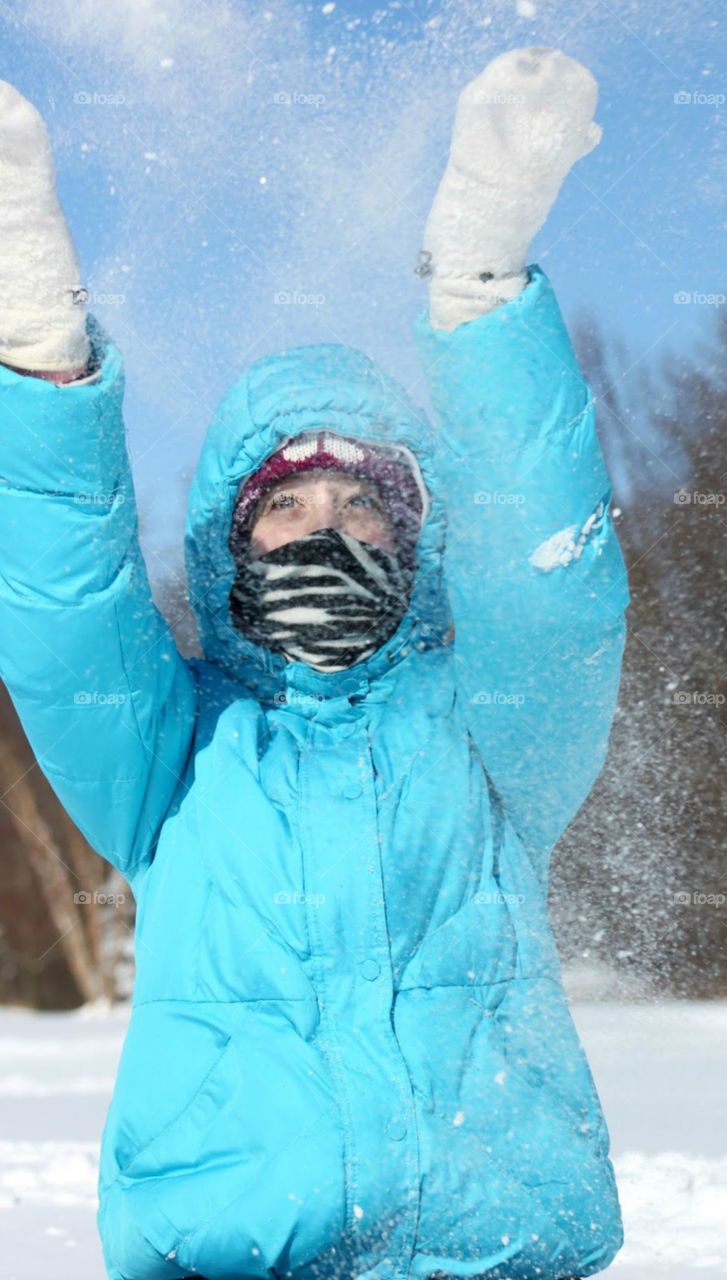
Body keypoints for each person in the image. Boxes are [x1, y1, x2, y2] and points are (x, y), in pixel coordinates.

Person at [0, 47, 630, 1280]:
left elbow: (556, 597)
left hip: (495, 1249)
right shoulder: (170, 754)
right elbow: (65, 612)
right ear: (230, 546)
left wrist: (482, 284)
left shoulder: (489, 734)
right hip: (227, 1247)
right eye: (287, 506)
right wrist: (40, 350)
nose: (329, 525)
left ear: (417, 536)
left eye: (365, 503)